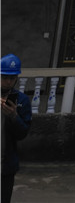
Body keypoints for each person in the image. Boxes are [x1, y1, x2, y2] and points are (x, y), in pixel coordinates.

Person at [1, 54, 32, 203]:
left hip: (6, 164)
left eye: (12, 78)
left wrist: (14, 116)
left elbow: (22, 133)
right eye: (4, 77)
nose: (8, 81)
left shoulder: (22, 101)